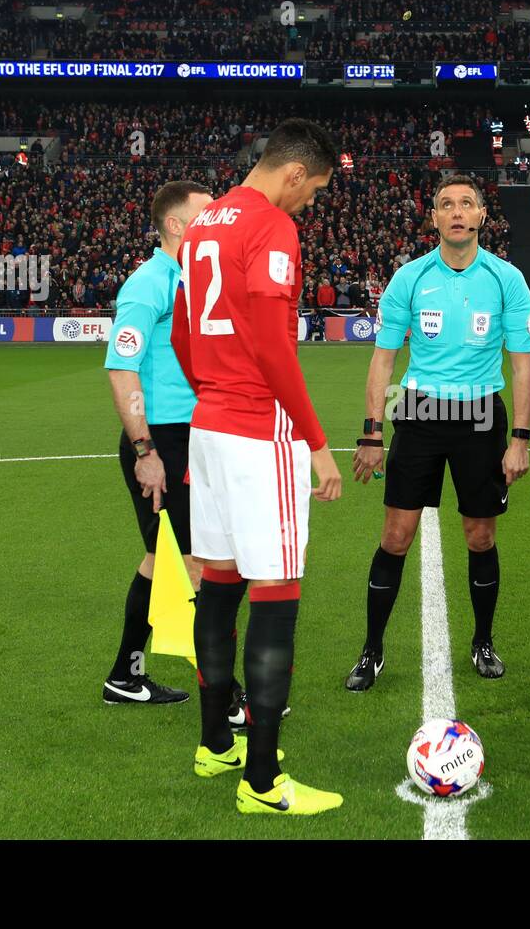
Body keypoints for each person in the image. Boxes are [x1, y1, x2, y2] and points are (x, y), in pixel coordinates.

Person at [171, 118, 344, 816]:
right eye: (316, 190)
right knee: (275, 589)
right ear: (295, 172)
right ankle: (265, 782)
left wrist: (211, 391)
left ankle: (216, 745)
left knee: (218, 583)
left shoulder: (205, 221)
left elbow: (184, 331)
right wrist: (315, 440)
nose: (311, 204)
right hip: (254, 428)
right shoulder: (272, 226)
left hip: (209, 425)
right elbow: (275, 347)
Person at [346, 174, 530, 690]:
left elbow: (522, 365)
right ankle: (372, 649)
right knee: (395, 535)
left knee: (480, 535)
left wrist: (520, 437)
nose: (457, 212)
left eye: (466, 204)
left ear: (480, 217)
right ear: (433, 218)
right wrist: (371, 433)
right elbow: (383, 359)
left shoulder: (506, 279)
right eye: (446, 205)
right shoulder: (409, 278)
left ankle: (483, 640)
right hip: (420, 413)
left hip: (480, 417)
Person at [101, 180, 214, 708]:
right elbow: (123, 368)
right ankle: (224, 690)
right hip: (163, 442)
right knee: (192, 564)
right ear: (176, 224)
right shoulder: (149, 283)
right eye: (205, 214)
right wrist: (145, 452)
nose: (215, 222)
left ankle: (125, 675)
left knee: (160, 560)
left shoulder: (197, 277)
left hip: (192, 436)